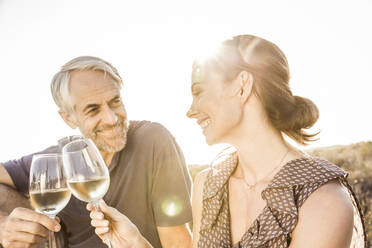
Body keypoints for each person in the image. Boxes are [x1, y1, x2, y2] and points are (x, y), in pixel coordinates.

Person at [87, 35, 366, 248]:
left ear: (242, 86)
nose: (190, 110)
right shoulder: (207, 186)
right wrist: (135, 243)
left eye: (199, 92)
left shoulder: (322, 201)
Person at [0, 56, 193, 248]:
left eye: (115, 101)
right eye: (93, 110)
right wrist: (2, 226)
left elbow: (177, 242)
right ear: (69, 118)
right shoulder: (53, 162)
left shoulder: (152, 140)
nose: (110, 119)